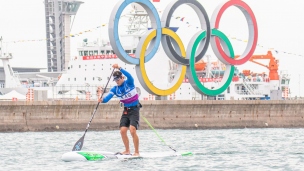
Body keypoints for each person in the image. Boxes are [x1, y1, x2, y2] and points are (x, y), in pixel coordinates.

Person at [99, 64, 141, 156]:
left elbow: (129, 76)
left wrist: (119, 68)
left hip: (134, 109)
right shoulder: (115, 89)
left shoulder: (129, 82)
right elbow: (107, 99)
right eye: (115, 80)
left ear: (122, 77)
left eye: (118, 79)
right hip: (126, 110)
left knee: (132, 130)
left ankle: (137, 152)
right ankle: (127, 150)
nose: (117, 81)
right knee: (122, 131)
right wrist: (102, 100)